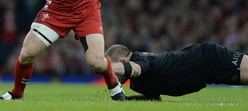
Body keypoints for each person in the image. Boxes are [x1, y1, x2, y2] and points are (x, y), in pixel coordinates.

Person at [105, 41, 248, 101]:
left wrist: (105, 67)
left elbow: (136, 70)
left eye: (112, 67)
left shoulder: (139, 59)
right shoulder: (136, 84)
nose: (110, 75)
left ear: (123, 60)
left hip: (207, 58)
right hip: (207, 73)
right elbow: (154, 99)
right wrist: (126, 99)